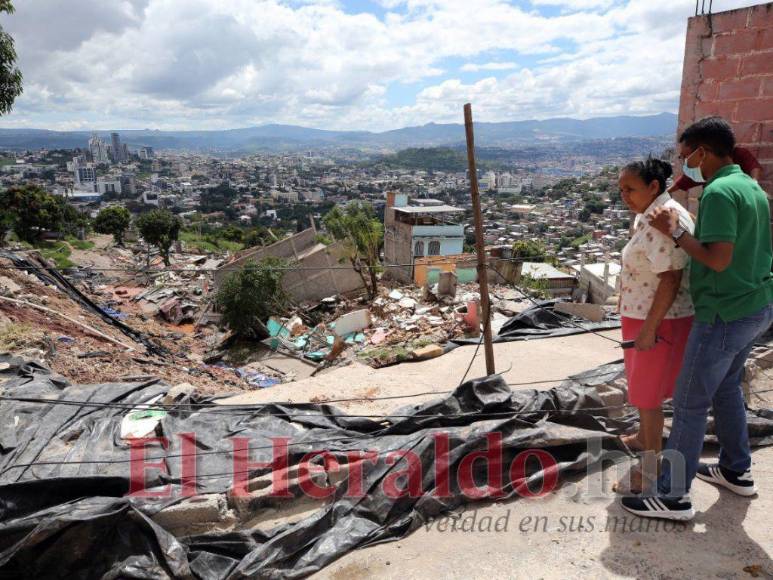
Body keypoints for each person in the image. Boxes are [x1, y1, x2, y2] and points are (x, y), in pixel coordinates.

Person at [621, 117, 773, 521]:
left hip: (724, 311)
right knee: (726, 392)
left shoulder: (720, 192)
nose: (685, 163)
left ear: (702, 152)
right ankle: (735, 469)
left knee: (689, 404)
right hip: (755, 305)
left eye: (687, 155)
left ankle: (673, 496)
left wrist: (675, 233)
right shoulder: (749, 185)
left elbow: (718, 259)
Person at [614, 157, 695, 494]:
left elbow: (671, 278)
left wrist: (649, 329)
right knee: (645, 386)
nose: (624, 196)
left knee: (648, 394)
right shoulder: (651, 213)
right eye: (620, 189)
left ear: (653, 186)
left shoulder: (663, 221)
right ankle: (644, 436)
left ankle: (649, 469)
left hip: (657, 318)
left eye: (630, 189)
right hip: (647, 313)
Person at [668, 145, 762, 194]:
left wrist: (754, 184)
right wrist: (664, 193)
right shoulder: (704, 169)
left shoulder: (715, 193)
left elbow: (754, 167)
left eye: (685, 156)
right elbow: (684, 181)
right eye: (682, 157)